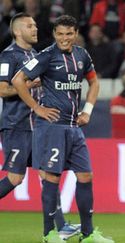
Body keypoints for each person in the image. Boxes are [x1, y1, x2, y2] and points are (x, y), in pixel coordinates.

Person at [12, 15, 114, 243]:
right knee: (52, 179)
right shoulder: (46, 56)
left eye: (69, 34)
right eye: (60, 34)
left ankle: (88, 235)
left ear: (76, 34)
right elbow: (18, 80)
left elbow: (94, 82)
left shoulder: (82, 55)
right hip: (52, 127)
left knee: (86, 176)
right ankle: (49, 234)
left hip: (73, 127)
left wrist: (87, 110)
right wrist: (37, 107)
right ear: (54, 35)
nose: (64, 38)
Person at [0, 12, 80, 241]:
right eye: (29, 26)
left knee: (47, 174)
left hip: (38, 126)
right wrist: (27, 84)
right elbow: (2, 89)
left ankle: (61, 226)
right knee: (15, 178)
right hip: (17, 125)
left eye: (35, 25)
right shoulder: (8, 56)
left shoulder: (35, 55)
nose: (35, 29)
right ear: (17, 31)